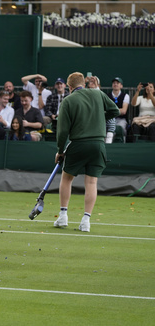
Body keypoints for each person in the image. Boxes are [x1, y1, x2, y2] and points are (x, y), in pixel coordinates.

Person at [53, 72, 120, 233]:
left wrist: (60, 151)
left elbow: (62, 132)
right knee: (91, 183)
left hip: (78, 144)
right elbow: (115, 110)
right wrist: (99, 117)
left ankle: (63, 216)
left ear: (69, 87)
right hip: (98, 145)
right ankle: (86, 221)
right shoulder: (98, 94)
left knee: (66, 178)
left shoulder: (68, 100)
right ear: (83, 83)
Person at [107, 77, 130, 141]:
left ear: (121, 86)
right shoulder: (107, 96)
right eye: (114, 83)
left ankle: (123, 144)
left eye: (118, 83)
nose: (115, 84)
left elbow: (124, 111)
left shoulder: (125, 96)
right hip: (109, 119)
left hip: (121, 119)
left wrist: (111, 111)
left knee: (121, 128)